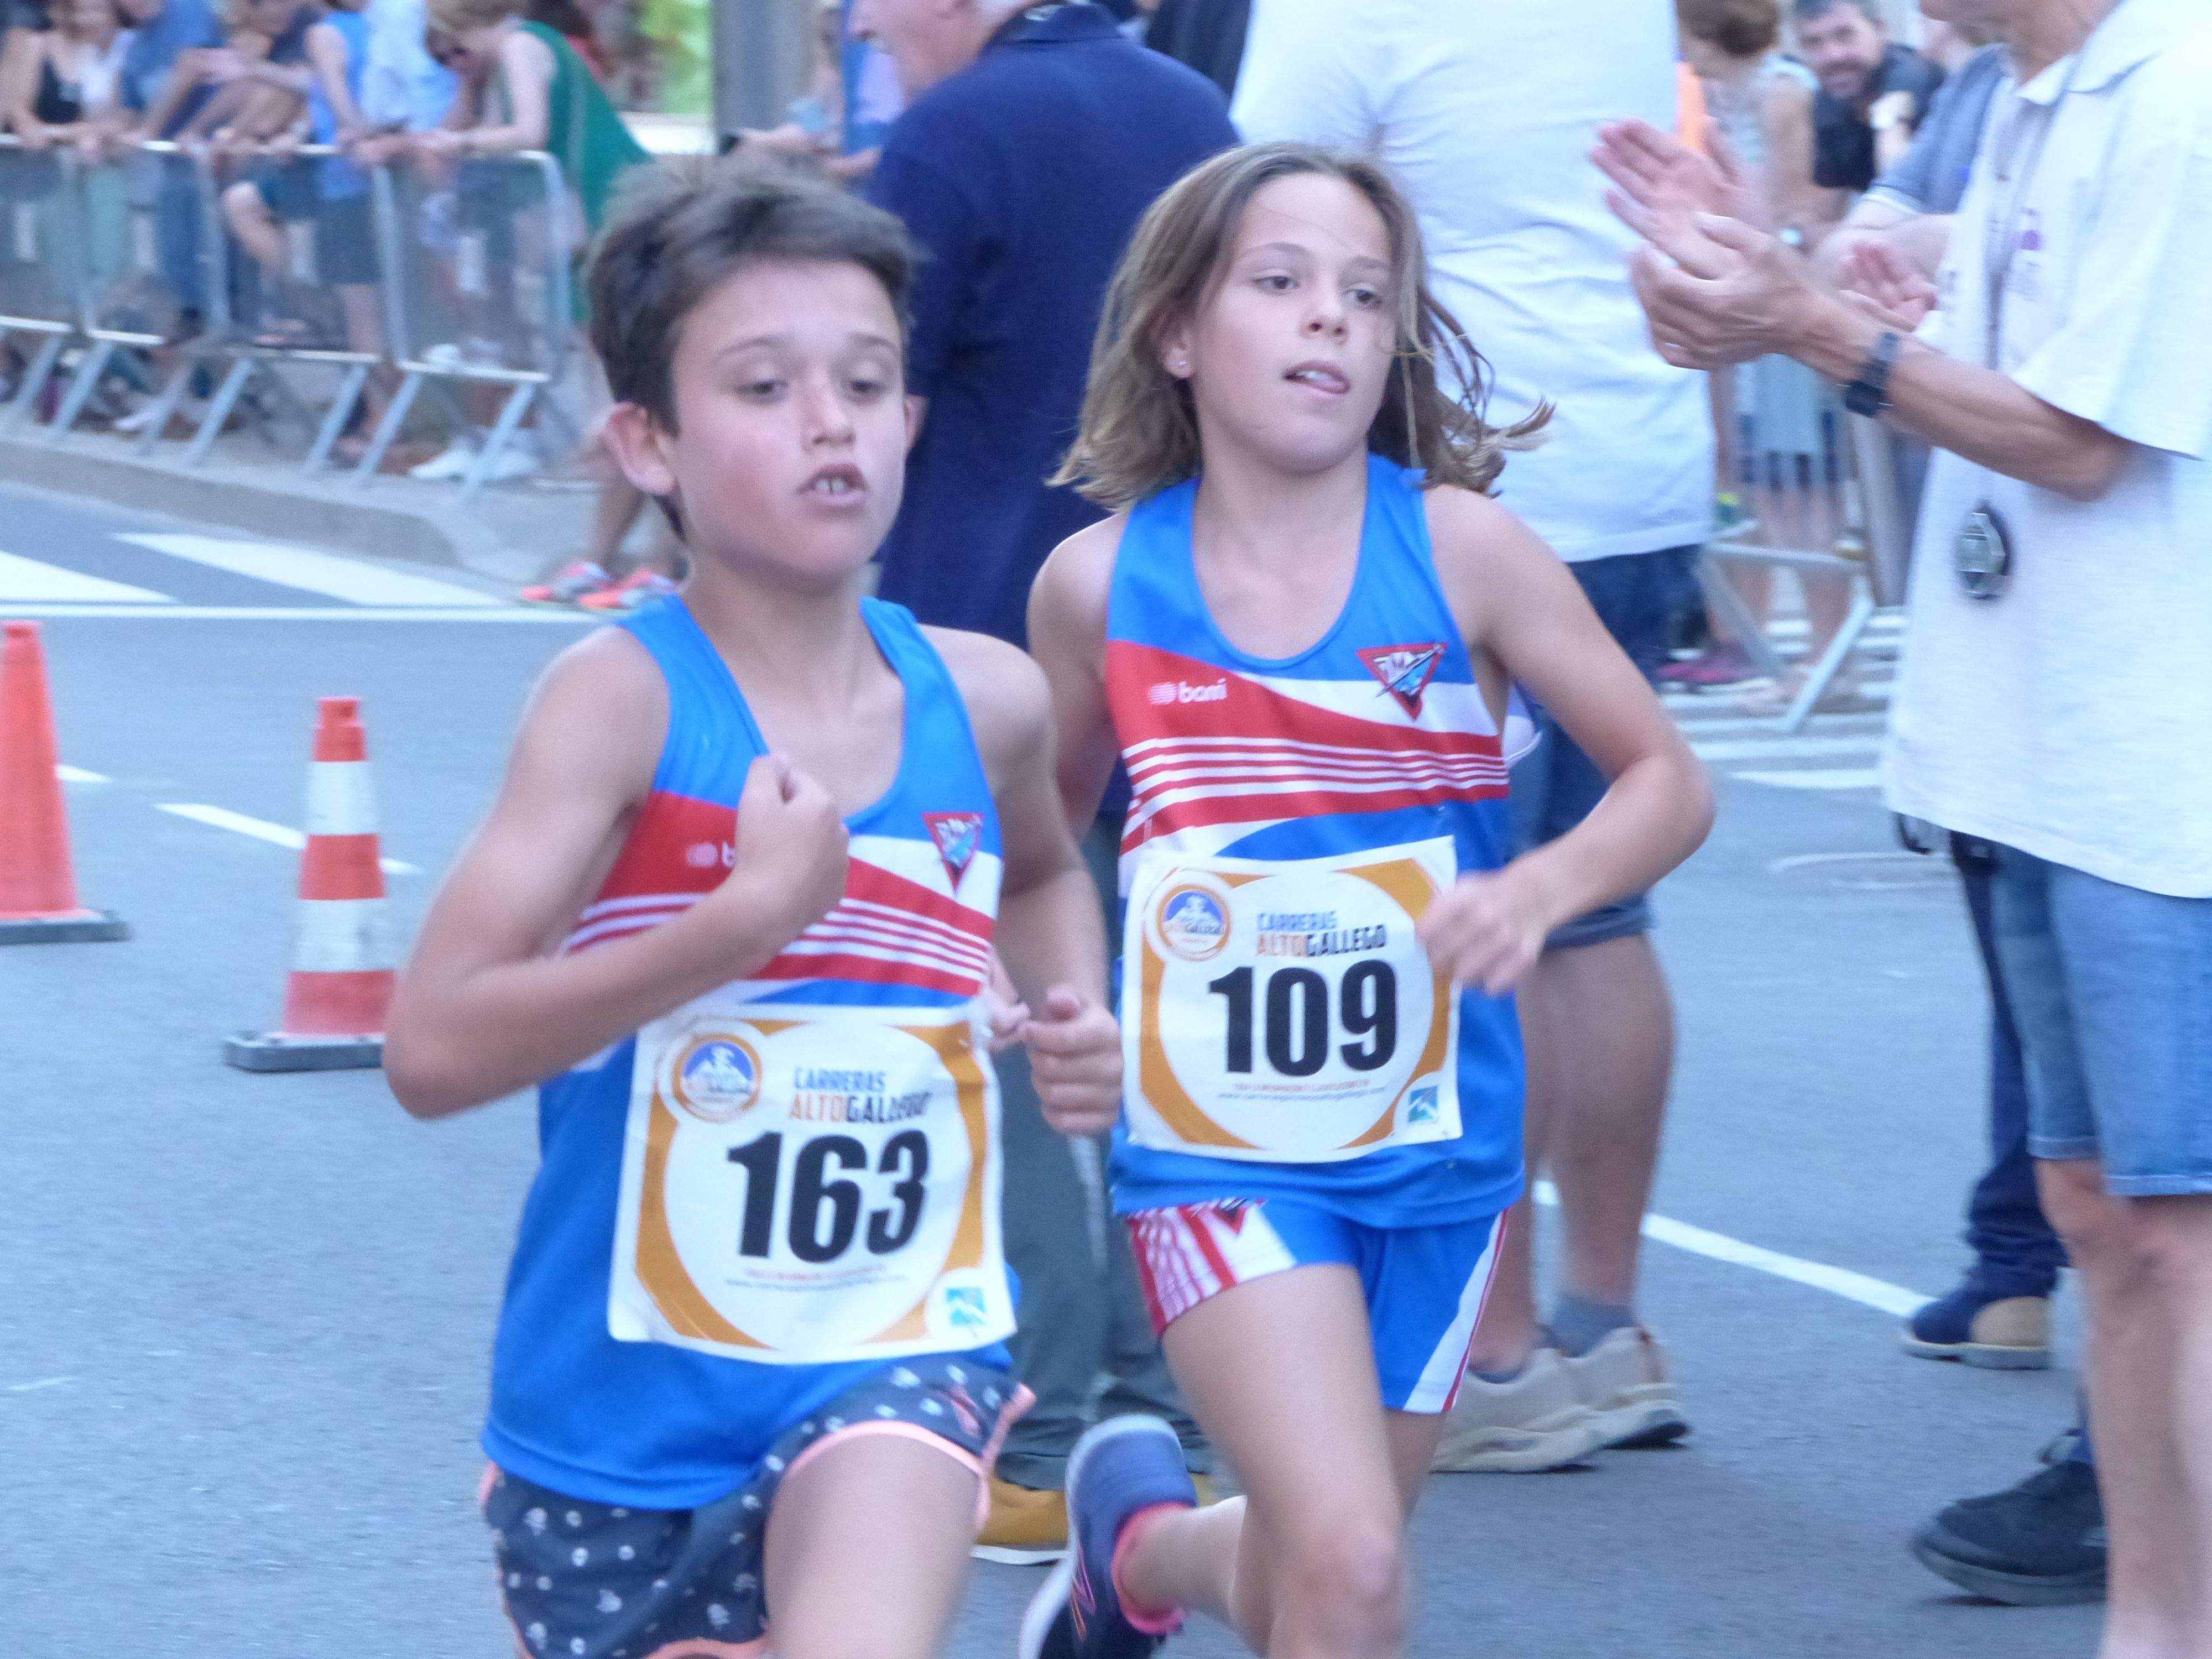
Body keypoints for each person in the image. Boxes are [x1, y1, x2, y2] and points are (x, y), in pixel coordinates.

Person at [383, 155, 1129, 1659]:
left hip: (899, 1349)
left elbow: (1045, 870)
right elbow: (432, 1049)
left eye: (865, 380)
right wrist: (729, 929)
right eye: (765, 386)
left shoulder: (982, 700)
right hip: (620, 1414)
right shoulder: (619, 709)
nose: (830, 421)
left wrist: (1071, 1010)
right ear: (647, 441)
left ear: (911, 416)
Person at [1020, 141, 1713, 1659]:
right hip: (1214, 1154)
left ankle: (1138, 1556)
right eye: (1281, 285)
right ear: (1180, 333)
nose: (1329, 319)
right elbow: (1041, 847)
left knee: (1333, 1567)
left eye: (1362, 293)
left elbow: (1667, 779)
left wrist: (1546, 883)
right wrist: (1066, 998)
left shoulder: (1464, 552)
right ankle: (1145, 1548)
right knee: (1351, 1560)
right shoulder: (1096, 587)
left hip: (1441, 1154)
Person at [1601, 0, 2212, 1645]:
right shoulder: (2035, 92)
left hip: (2157, 766)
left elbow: (2079, 445)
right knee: (2103, 1222)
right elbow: (2016, 370)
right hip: (2050, 749)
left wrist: (1809, 318)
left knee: (2166, 1231)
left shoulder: (2171, 89)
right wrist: (1819, 297)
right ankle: (2151, 1622)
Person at [1234, 0, 1715, 1474]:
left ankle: (1491, 1352)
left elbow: (1255, 210)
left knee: (1458, 896)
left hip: (1478, 466)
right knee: (1598, 909)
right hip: (1636, 449)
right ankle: (1606, 1327)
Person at [853, 0, 1239, 1561]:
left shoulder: (949, 137)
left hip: (989, 637)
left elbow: (882, 406)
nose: (872, 25)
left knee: (1011, 1028)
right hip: (1183, 625)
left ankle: (1051, 1423)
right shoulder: (1194, 115)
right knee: (1166, 1020)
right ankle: (1197, 1406)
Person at [1668, 0, 1852, 701]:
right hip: (1752, 303)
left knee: (1806, 496)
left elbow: (1798, 209)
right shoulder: (1726, 97)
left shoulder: (1781, 92)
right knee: (1774, 497)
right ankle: (1809, 654)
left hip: (1787, 300)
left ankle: (1830, 656)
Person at [1796, 0, 1944, 209]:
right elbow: (1827, 208)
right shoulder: (1828, 104)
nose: (1833, 56)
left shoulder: (1914, 78)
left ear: (1879, 31)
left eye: (1845, 35)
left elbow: (1900, 194)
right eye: (1814, 43)